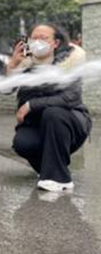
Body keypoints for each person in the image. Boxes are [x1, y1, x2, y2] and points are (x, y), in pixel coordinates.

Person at [7, 23, 92, 192]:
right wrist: (13, 65)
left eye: (44, 38)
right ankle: (48, 169)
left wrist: (31, 105)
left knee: (53, 113)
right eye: (35, 38)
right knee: (22, 143)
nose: (38, 42)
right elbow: (5, 89)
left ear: (56, 43)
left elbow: (70, 97)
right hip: (38, 124)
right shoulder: (26, 64)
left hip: (69, 121)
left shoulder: (69, 63)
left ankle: (60, 179)